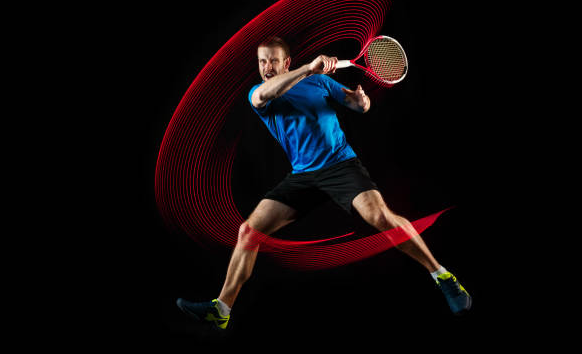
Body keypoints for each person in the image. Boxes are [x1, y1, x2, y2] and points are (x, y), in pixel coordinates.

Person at [176, 37, 471, 330]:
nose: (267, 67)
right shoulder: (260, 92)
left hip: (340, 165)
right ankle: (222, 309)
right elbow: (265, 93)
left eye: (273, 60)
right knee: (249, 232)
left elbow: (356, 104)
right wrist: (308, 68)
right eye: (262, 61)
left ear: (285, 62)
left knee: (380, 217)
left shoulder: (319, 82)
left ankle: (442, 276)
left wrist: (361, 101)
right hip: (303, 175)